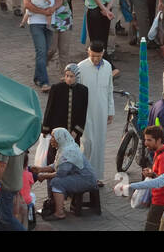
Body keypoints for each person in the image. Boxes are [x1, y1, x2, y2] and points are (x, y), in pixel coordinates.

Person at [31, 127, 99, 220]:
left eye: (53, 137)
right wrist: (40, 169)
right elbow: (57, 165)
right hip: (81, 176)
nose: (51, 139)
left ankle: (59, 213)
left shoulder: (68, 152)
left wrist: (43, 176)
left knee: (56, 182)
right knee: (54, 179)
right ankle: (56, 204)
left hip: (86, 180)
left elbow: (60, 173)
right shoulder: (66, 147)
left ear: (60, 138)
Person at [73, 41, 114, 182]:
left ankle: (96, 176)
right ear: (88, 52)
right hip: (86, 110)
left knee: (99, 143)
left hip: (102, 110)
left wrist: (110, 110)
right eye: (93, 55)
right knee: (87, 142)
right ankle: (83, 174)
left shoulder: (107, 66)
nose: (96, 59)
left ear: (103, 53)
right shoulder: (81, 67)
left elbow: (109, 89)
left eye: (98, 56)